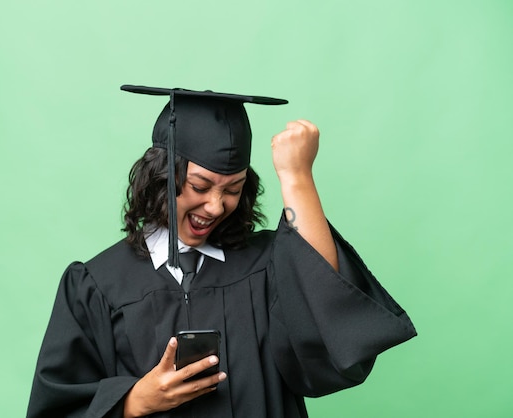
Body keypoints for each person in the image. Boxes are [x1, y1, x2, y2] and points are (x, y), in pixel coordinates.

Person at [26, 85, 417, 418]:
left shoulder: (268, 264)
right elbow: (56, 405)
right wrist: (133, 401)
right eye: (200, 186)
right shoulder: (97, 284)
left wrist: (297, 177)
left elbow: (331, 322)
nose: (216, 206)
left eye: (232, 189)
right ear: (162, 177)